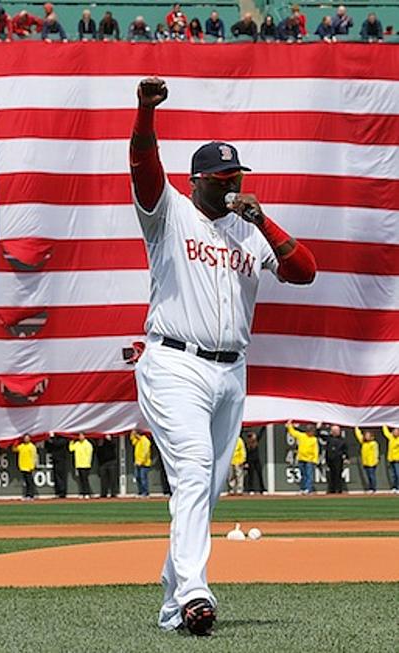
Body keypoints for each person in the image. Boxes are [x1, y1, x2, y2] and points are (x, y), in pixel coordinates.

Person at [131, 74, 316, 636]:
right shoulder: (169, 214)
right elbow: (143, 165)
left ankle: (170, 603)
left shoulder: (248, 229)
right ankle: (195, 593)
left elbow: (304, 271)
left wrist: (261, 218)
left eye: (236, 176)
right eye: (222, 178)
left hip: (231, 370)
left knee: (206, 491)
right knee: (193, 469)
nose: (232, 185)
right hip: (173, 362)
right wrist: (145, 111)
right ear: (198, 182)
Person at [286, 422, 318, 493]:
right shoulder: (302, 436)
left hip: (309, 460)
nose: (311, 433)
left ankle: (308, 489)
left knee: (309, 475)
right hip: (301, 459)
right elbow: (293, 433)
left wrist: (315, 460)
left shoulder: (314, 439)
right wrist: (289, 425)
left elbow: (316, 450)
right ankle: (303, 488)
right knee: (303, 475)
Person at [322, 424, 348, 494]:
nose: (336, 432)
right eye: (334, 430)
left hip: (338, 459)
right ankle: (331, 489)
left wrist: (346, 458)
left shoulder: (342, 440)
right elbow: (320, 435)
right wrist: (319, 427)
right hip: (330, 459)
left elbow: (345, 450)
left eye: (337, 430)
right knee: (331, 475)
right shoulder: (329, 438)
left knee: (338, 474)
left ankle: (338, 489)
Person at [354, 427, 379, 493]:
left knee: (371, 475)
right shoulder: (363, 442)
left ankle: (373, 488)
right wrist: (356, 428)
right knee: (368, 476)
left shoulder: (373, 443)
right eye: (366, 435)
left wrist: (376, 460)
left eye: (368, 436)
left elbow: (376, 452)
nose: (367, 437)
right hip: (366, 462)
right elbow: (359, 435)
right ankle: (370, 488)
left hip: (372, 462)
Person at [44, 432, 68, 498]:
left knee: (61, 475)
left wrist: (52, 438)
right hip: (54, 458)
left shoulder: (63, 438)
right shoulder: (53, 439)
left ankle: (62, 492)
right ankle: (57, 491)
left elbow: (58, 444)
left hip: (61, 459)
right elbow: (48, 446)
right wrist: (49, 439)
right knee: (56, 475)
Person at [13, 434, 37, 500]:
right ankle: (27, 495)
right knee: (26, 482)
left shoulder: (32, 446)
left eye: (27, 438)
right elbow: (14, 449)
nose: (26, 439)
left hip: (29, 466)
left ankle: (31, 495)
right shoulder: (22, 446)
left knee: (29, 482)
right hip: (22, 466)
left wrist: (32, 466)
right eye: (25, 438)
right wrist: (16, 442)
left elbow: (34, 457)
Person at [69, 434, 93, 499]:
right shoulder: (77, 444)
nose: (80, 437)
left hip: (85, 465)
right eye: (79, 436)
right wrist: (71, 441)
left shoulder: (88, 444)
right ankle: (82, 492)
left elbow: (90, 454)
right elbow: (71, 449)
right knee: (81, 480)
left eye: (81, 436)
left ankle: (87, 493)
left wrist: (88, 463)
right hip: (79, 464)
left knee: (85, 479)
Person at [130, 431, 151, 497]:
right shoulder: (138, 440)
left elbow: (145, 452)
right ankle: (141, 491)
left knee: (143, 478)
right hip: (137, 462)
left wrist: (141, 461)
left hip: (144, 463)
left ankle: (145, 492)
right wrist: (132, 434)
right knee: (138, 477)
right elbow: (133, 441)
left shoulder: (145, 441)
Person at [383, 426, 399, 493]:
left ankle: (398, 487)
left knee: (398, 474)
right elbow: (385, 432)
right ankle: (394, 487)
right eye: (394, 431)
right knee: (394, 474)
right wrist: (384, 424)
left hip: (397, 459)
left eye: (397, 431)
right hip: (391, 459)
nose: (395, 432)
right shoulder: (391, 437)